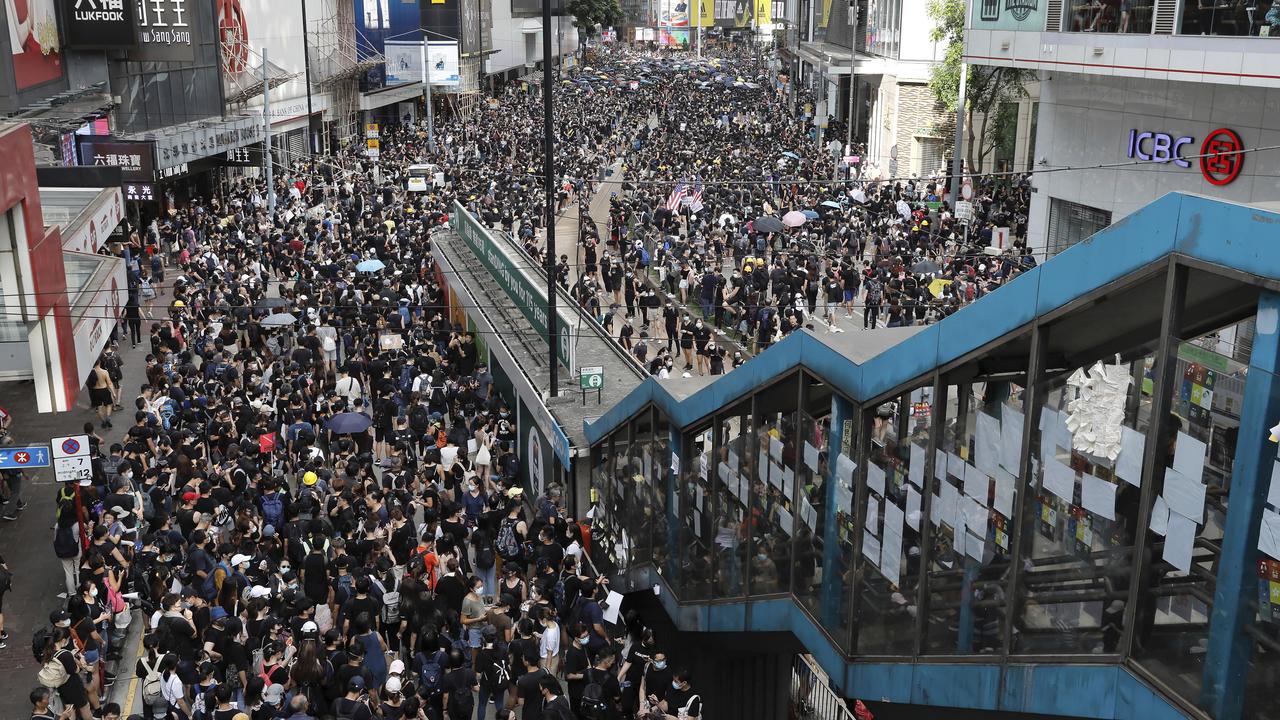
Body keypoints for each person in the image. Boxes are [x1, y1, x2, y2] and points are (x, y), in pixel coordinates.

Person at [440, 648, 477, 720]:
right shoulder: (469, 672)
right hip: (467, 703)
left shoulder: (446, 678)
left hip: (454, 706)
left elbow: (445, 696)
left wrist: (444, 709)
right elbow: (476, 688)